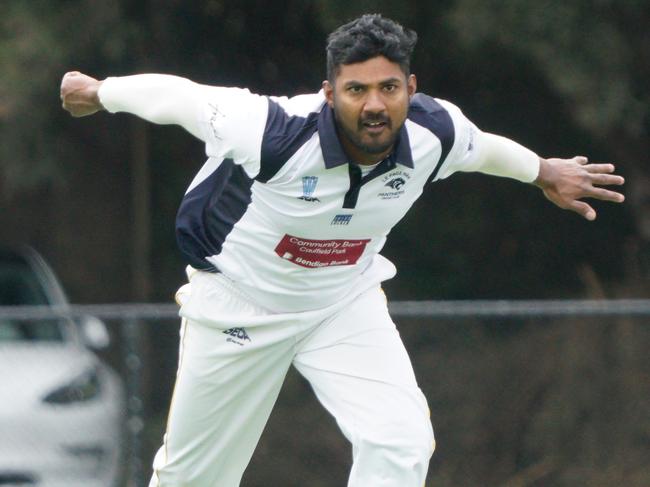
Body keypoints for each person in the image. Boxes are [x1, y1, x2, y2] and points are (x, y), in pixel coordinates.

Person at [60, 14, 624, 487]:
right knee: (194, 479)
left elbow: (483, 150)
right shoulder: (272, 130)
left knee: (400, 444)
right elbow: (180, 98)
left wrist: (544, 171)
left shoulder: (435, 132)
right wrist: (99, 93)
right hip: (237, 303)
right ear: (331, 94)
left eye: (389, 88)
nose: (374, 105)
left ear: (411, 88)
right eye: (356, 90)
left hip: (342, 302)